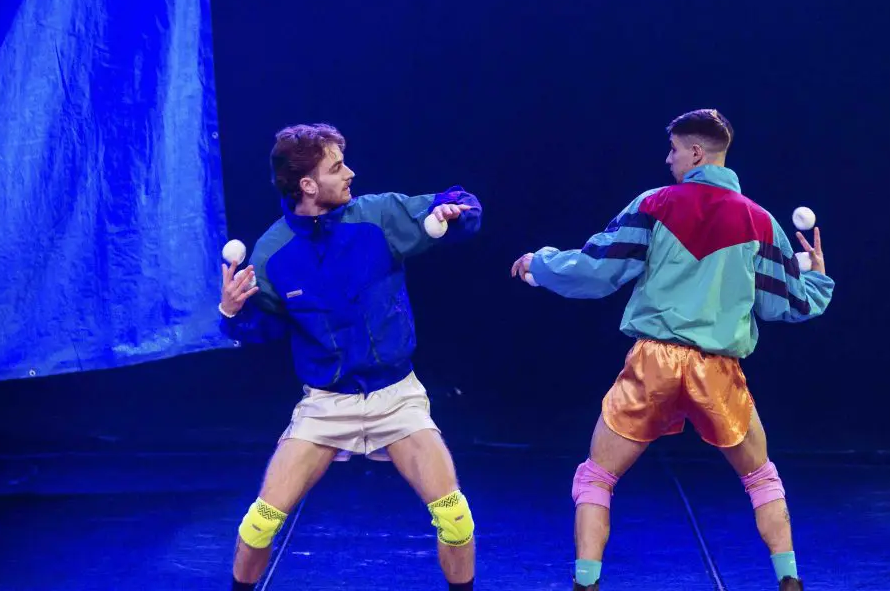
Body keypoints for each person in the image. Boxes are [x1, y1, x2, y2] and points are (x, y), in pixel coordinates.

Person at [510, 109, 833, 591]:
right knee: (762, 478)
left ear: (696, 152)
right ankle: (789, 583)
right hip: (718, 372)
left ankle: (585, 585)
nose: (668, 158)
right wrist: (816, 275)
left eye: (675, 150)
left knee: (595, 478)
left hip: (653, 365)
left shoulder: (656, 204)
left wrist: (542, 264)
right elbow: (787, 302)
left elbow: (598, 269)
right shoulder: (761, 222)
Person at [220, 123, 482, 591]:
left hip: (396, 399)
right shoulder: (272, 254)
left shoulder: (377, 218)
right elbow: (268, 328)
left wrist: (453, 213)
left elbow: (463, 202)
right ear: (307, 184)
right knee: (258, 525)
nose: (350, 173)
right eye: (337, 167)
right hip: (326, 406)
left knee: (456, 519)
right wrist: (232, 312)